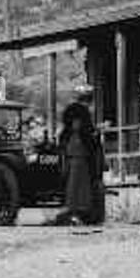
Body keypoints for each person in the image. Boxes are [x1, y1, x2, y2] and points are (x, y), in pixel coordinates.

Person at [59, 87, 104, 225]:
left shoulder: (71, 110)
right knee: (78, 183)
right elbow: (81, 128)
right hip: (80, 150)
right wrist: (96, 131)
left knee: (78, 182)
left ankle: (80, 210)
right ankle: (76, 211)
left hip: (73, 149)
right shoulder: (81, 111)